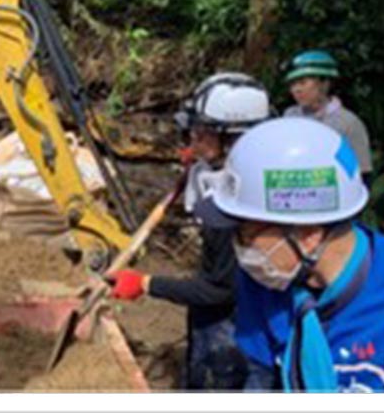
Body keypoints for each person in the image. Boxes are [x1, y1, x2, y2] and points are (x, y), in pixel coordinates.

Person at [197, 117, 384, 392]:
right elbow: (261, 378)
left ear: (308, 235)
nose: (240, 249)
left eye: (247, 234)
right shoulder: (261, 286)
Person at [109, 73, 271, 390]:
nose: (191, 142)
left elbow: (218, 290)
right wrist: (195, 168)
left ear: (233, 138)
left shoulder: (237, 204)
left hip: (239, 326)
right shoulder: (230, 170)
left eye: (201, 134)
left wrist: (145, 283)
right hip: (224, 310)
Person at [283, 50, 373, 186]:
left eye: (302, 82)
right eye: (293, 84)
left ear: (324, 83)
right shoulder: (290, 117)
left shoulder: (347, 123)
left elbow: (361, 174)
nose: (296, 90)